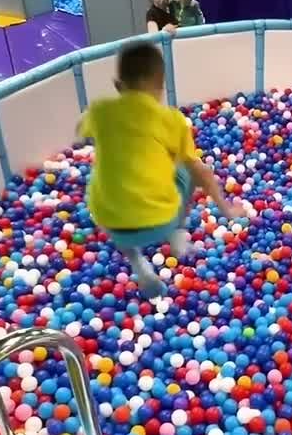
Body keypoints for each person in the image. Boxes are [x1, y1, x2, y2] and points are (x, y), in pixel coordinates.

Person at [77, 41, 248, 298]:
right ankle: (177, 235)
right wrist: (226, 209)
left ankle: (137, 262)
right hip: (159, 221)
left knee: (105, 177)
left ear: (117, 85)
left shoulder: (100, 111)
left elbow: (81, 130)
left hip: (110, 221)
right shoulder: (171, 120)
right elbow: (200, 172)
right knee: (186, 170)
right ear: (161, 84)